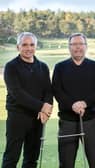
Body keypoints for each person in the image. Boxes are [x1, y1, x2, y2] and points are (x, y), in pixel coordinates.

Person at [52, 33, 95, 168]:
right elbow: (57, 91)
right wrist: (72, 105)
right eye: (74, 44)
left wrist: (84, 103)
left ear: (86, 46)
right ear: (69, 47)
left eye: (80, 44)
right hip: (67, 122)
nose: (77, 47)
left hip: (91, 122)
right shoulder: (60, 67)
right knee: (66, 163)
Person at [2, 32, 53, 168]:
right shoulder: (11, 67)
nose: (28, 48)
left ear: (36, 47)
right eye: (24, 45)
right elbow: (17, 93)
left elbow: (48, 91)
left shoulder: (43, 67)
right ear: (18, 47)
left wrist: (46, 110)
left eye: (32, 45)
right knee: (11, 158)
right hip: (17, 118)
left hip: (37, 119)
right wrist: (42, 106)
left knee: (31, 159)